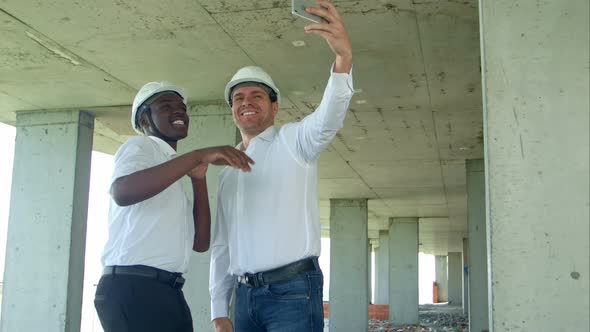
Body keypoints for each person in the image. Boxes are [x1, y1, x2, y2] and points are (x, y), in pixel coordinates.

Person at [209, 1, 353, 331]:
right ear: (233, 110)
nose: (246, 102)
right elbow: (222, 243)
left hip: (292, 294)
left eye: (257, 96)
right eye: (238, 97)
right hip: (244, 298)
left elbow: (328, 119)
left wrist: (343, 60)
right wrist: (220, 308)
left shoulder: (293, 142)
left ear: (274, 107)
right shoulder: (228, 170)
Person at [94, 81, 254, 332]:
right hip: (133, 287)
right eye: (166, 106)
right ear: (145, 120)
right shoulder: (140, 146)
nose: (179, 111)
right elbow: (122, 192)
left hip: (166, 291)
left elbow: (200, 243)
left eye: (182, 107)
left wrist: (198, 179)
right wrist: (197, 155)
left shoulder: (171, 176)